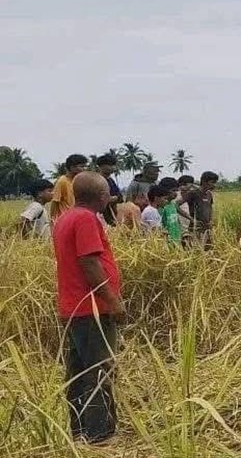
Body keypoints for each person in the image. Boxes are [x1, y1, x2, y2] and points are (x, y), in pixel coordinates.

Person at [51, 171, 124, 444]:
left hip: (73, 307)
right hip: (91, 308)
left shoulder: (66, 217)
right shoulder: (85, 219)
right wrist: (113, 302)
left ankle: (79, 428)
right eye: (107, 193)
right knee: (99, 370)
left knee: (79, 371)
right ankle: (99, 433)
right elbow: (90, 263)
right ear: (102, 196)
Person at [184, 171, 218, 249]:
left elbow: (210, 208)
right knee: (195, 250)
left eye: (215, 183)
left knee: (208, 250)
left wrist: (211, 220)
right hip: (196, 228)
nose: (214, 185)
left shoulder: (209, 194)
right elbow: (176, 205)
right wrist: (191, 219)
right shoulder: (193, 193)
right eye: (212, 182)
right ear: (204, 182)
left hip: (207, 228)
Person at [51, 154, 88, 220]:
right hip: (65, 219)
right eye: (81, 166)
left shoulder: (78, 181)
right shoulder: (62, 181)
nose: (84, 169)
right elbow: (55, 202)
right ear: (72, 167)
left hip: (76, 218)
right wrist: (52, 219)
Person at [95, 154, 123, 226]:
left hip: (112, 215)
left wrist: (114, 198)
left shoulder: (111, 181)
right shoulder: (96, 181)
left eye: (113, 165)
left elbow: (120, 197)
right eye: (110, 165)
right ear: (101, 166)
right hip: (100, 215)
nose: (112, 167)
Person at [157, 178, 183, 245]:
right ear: (165, 191)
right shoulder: (160, 207)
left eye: (177, 191)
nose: (176, 193)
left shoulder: (172, 204)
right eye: (173, 190)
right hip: (166, 242)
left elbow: (177, 222)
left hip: (177, 240)